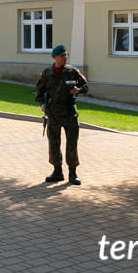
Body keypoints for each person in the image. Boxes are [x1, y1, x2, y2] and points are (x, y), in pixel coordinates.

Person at [35, 44, 88, 185]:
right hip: (53, 114)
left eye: (66, 55)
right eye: (62, 55)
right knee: (53, 144)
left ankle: (72, 173)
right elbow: (39, 92)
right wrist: (42, 104)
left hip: (70, 113)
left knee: (71, 143)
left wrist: (78, 90)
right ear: (54, 57)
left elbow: (86, 86)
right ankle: (57, 171)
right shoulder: (47, 73)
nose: (65, 57)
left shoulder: (72, 72)